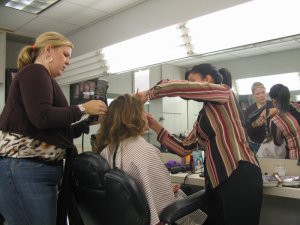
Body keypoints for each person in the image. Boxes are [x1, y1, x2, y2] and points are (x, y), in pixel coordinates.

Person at [0, 32, 107, 225]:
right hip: (25, 168)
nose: (68, 62)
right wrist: (83, 108)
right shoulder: (35, 71)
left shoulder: (46, 79)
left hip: (36, 169)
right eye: (65, 55)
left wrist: (86, 123)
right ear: (48, 50)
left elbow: (52, 132)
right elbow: (42, 117)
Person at [136, 63, 263, 225]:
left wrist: (148, 94)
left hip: (240, 174)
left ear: (207, 79)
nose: (189, 85)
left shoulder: (224, 93)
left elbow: (183, 89)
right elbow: (183, 148)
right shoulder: (203, 118)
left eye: (192, 80)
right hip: (217, 183)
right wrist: (154, 125)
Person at [95, 94, 207, 225]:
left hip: (127, 216)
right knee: (202, 199)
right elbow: (163, 202)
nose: (147, 114)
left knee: (185, 190)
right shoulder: (145, 151)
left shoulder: (106, 151)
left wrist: (163, 190)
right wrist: (166, 191)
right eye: (142, 111)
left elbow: (128, 192)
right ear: (135, 117)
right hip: (159, 218)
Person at [268, 84, 300, 159]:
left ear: (273, 101)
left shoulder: (275, 121)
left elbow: (278, 142)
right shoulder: (297, 107)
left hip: (295, 158)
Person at [244, 82, 276, 154]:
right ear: (253, 95)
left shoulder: (273, 105)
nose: (261, 95)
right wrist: (253, 125)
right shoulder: (249, 110)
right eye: (258, 94)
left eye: (263, 92)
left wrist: (278, 111)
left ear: (266, 92)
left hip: (274, 143)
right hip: (256, 145)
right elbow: (245, 131)